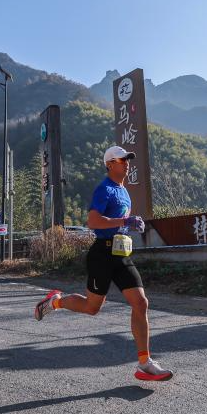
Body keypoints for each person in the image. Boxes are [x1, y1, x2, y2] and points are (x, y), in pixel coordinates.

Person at [34, 145, 173, 381]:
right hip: (102, 254)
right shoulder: (104, 189)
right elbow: (93, 221)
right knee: (92, 307)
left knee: (140, 303)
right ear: (109, 164)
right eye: (121, 160)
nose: (126, 163)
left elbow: (117, 222)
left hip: (121, 254)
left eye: (128, 159)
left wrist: (129, 225)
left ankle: (144, 363)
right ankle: (56, 302)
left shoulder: (124, 191)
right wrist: (124, 220)